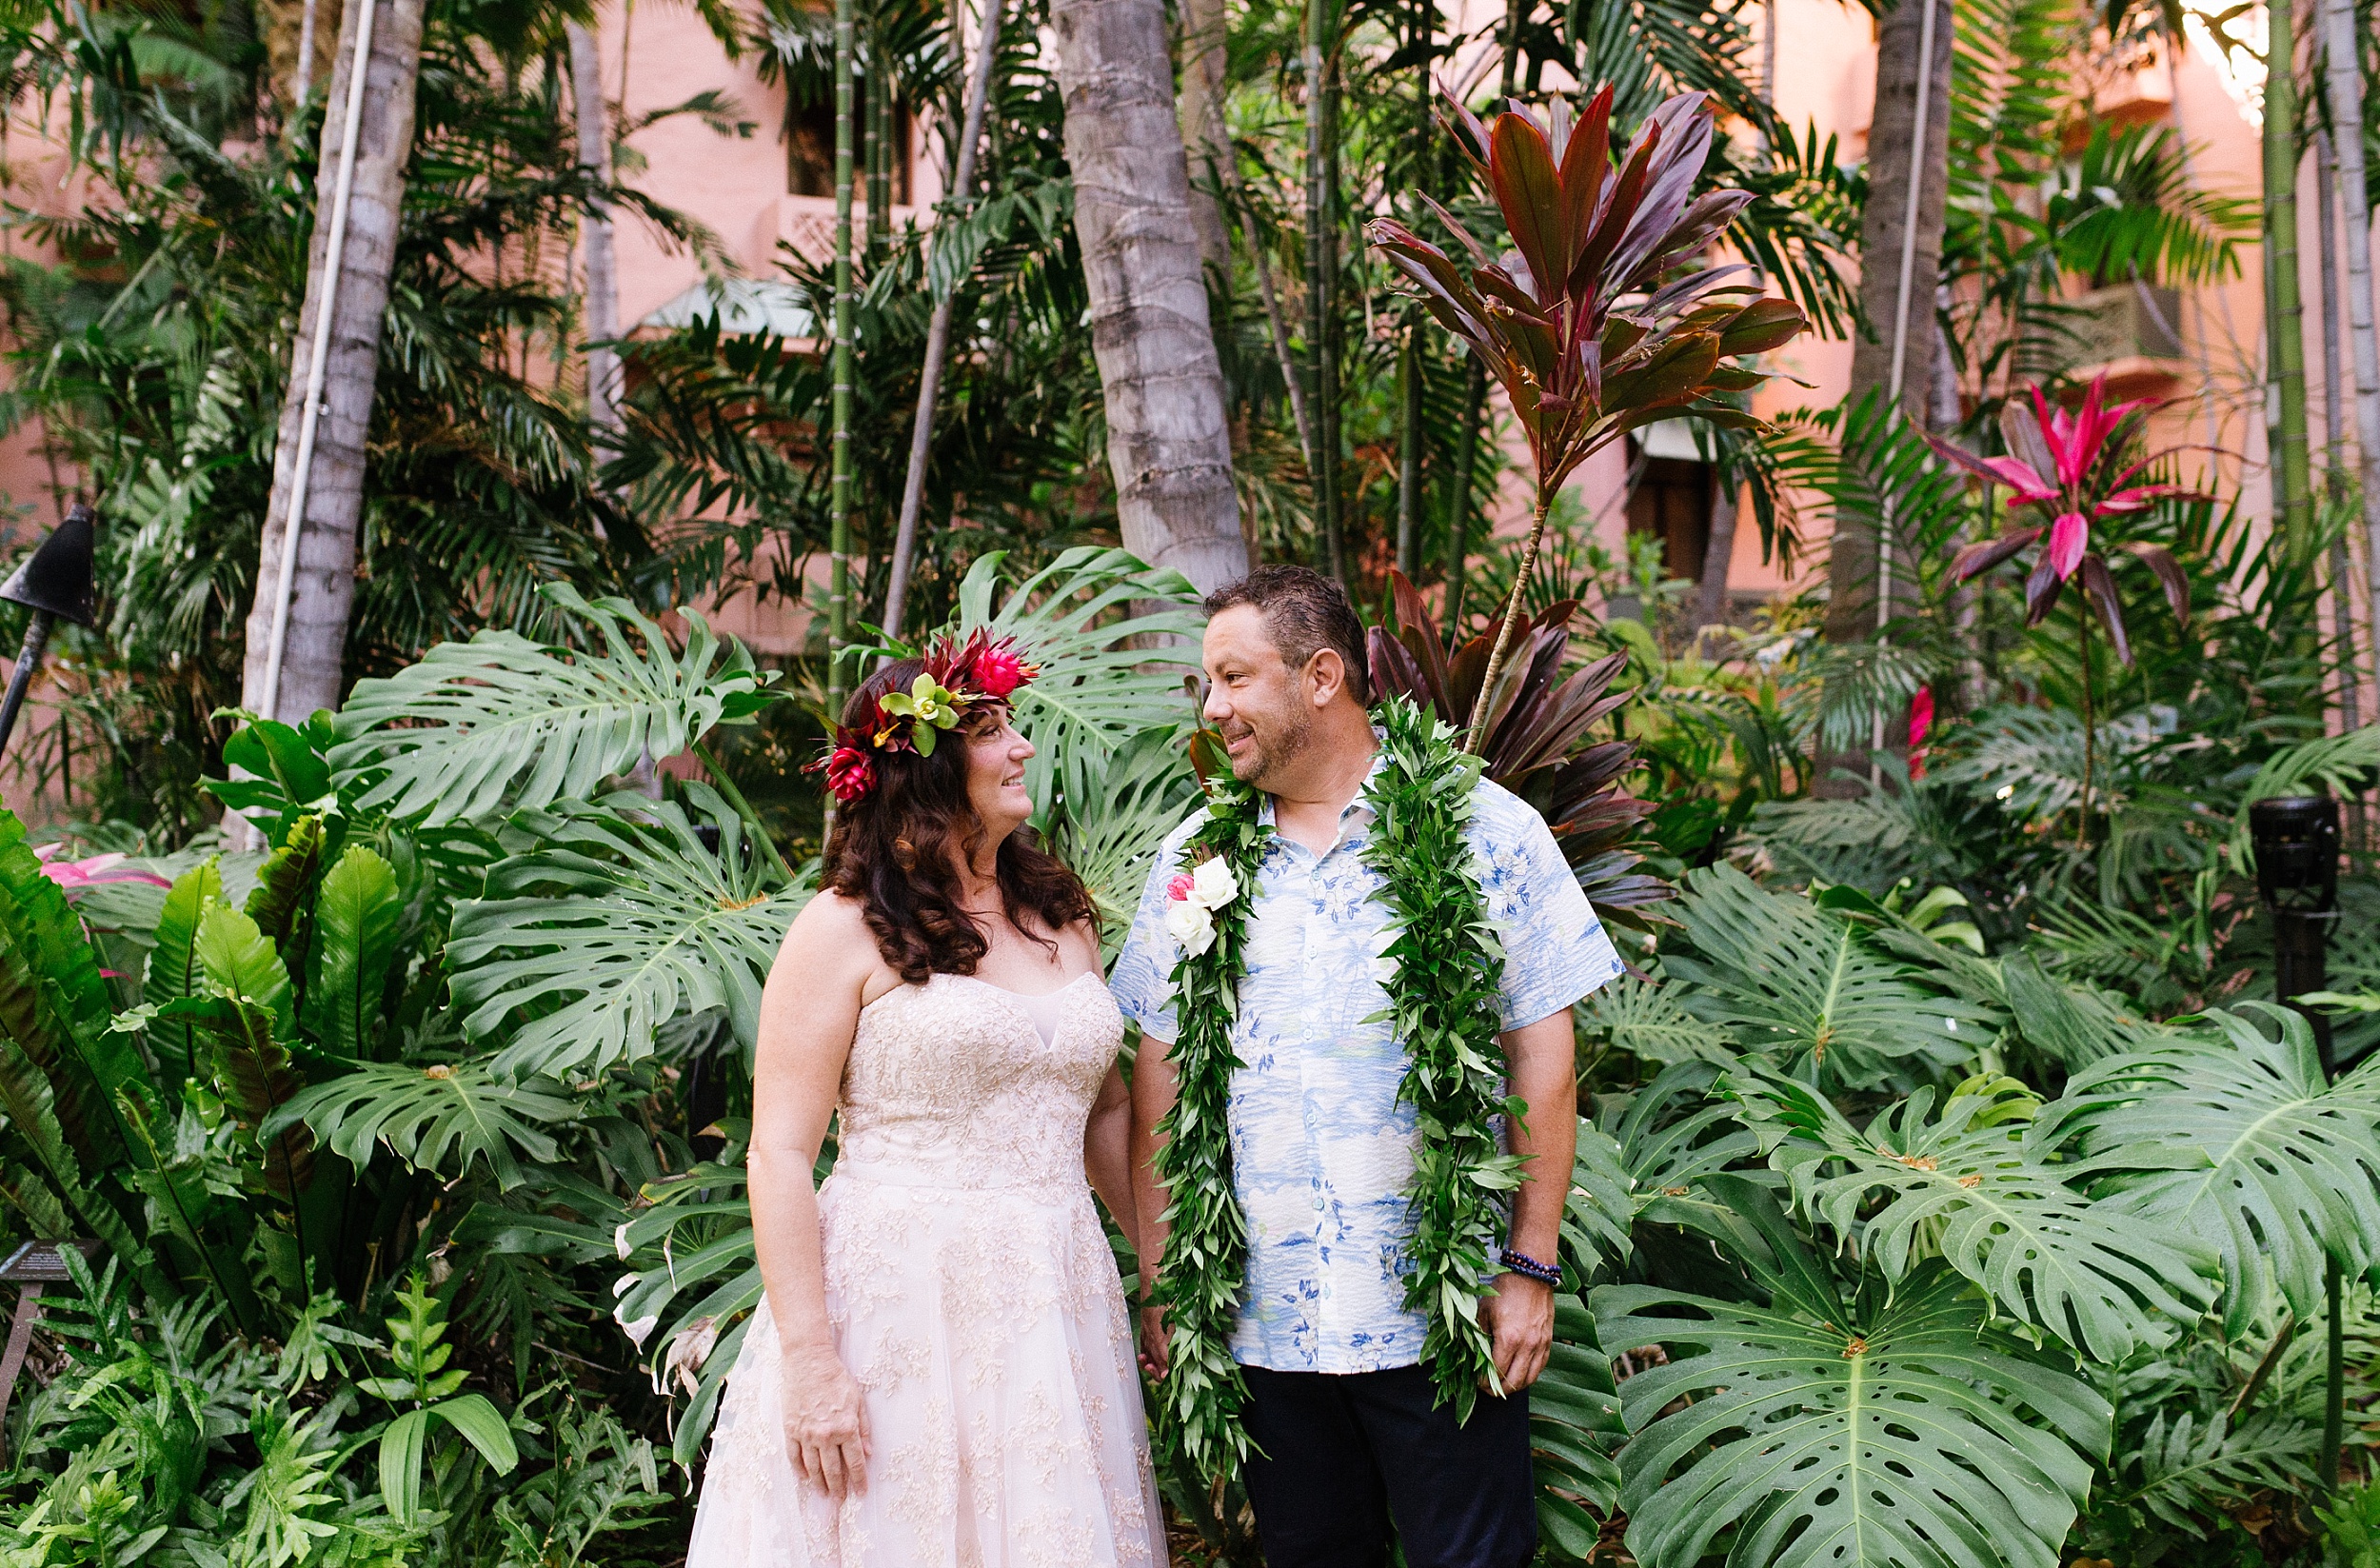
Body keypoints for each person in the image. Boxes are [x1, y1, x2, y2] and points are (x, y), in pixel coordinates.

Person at [1112, 566, 1624, 1568]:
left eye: (1233, 677)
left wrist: (1529, 1263)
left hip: (1440, 1312)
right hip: (1264, 1316)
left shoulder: (1485, 832)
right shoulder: (1197, 856)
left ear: (1320, 676)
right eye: (1206, 684)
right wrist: (1166, 1276)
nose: (1213, 708)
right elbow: (1158, 1070)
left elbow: (1542, 1055)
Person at [686, 630, 1167, 1568]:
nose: (1023, 747)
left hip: (1054, 1294)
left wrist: (1157, 1278)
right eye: (992, 730)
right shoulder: (839, 931)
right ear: (926, 768)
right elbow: (779, 1153)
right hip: (898, 1303)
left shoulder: (1060, 918)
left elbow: (1106, 1113)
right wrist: (814, 1362)